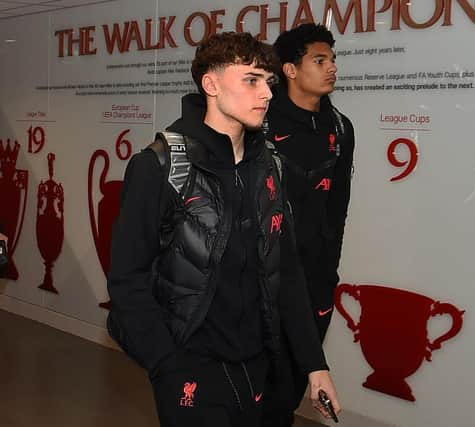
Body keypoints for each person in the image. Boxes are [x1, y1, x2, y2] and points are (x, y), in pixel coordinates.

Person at [106, 32, 340, 427]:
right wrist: (166, 362)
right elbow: (127, 279)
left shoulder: (270, 166)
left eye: (269, 82)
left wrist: (314, 364)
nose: (266, 94)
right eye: (251, 80)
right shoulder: (159, 167)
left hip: (259, 364)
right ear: (211, 85)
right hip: (189, 366)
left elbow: (288, 272)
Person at [261, 24, 355, 427]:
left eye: (332, 60)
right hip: (262, 281)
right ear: (290, 70)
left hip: (314, 282)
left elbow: (339, 208)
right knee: (253, 394)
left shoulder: (340, 128)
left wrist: (326, 273)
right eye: (320, 60)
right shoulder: (259, 124)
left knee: (289, 393)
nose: (331, 68)